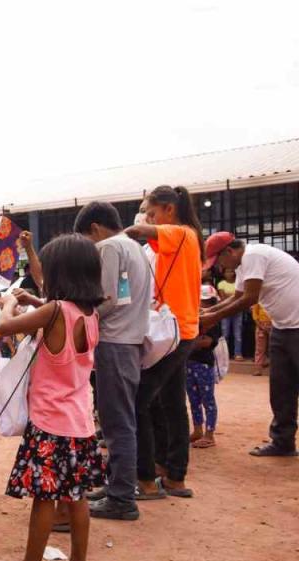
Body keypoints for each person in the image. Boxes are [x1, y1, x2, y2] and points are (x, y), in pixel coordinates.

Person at [0, 234, 106, 561]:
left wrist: (9, 302)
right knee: (76, 496)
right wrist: (36, 299)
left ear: (60, 273)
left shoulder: (54, 311)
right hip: (80, 422)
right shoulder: (89, 313)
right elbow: (54, 307)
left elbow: (5, 327)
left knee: (44, 497)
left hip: (49, 424)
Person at [72, 201, 151, 522]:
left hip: (115, 343)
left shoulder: (108, 248)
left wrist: (74, 316)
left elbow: (105, 300)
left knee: (117, 423)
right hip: (130, 341)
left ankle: (121, 498)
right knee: (120, 420)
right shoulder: (135, 248)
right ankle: (116, 485)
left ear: (94, 229)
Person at [124, 185, 203, 499]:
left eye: (152, 212)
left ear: (169, 209)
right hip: (177, 331)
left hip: (174, 333)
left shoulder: (182, 233)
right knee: (169, 403)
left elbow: (141, 229)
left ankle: (144, 479)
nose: (148, 218)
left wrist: (123, 233)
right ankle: (173, 476)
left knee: (139, 400)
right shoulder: (177, 241)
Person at [200, 232, 299, 457]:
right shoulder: (245, 264)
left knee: (285, 387)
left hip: (295, 328)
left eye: (219, 261)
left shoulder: (254, 255)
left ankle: (283, 440)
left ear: (229, 251)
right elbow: (236, 297)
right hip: (283, 328)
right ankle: (283, 441)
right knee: (281, 389)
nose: (218, 267)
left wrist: (212, 318)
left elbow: (249, 299)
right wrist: (208, 311)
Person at [188, 286, 222, 449]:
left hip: (203, 364)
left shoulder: (213, 322)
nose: (204, 304)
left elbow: (208, 342)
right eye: (202, 301)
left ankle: (210, 434)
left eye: (208, 302)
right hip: (189, 363)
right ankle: (198, 430)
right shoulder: (192, 317)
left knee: (207, 399)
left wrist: (188, 344)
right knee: (193, 399)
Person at [217, 268, 244, 361]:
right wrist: (234, 298)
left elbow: (241, 296)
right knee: (225, 334)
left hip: (238, 311)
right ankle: (225, 355)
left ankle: (238, 354)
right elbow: (223, 298)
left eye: (231, 271)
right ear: (223, 273)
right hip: (225, 311)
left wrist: (233, 298)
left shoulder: (238, 283)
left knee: (238, 334)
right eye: (227, 271)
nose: (229, 273)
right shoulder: (221, 284)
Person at [253, 304, 272, 375]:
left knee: (273, 348)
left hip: (273, 324)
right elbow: (255, 315)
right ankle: (258, 369)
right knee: (259, 348)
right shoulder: (258, 301)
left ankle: (274, 369)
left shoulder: (274, 300)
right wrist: (260, 325)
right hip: (260, 325)